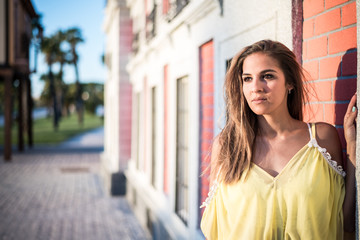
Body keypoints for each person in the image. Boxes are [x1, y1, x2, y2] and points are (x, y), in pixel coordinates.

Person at [200, 39, 356, 239]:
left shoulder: (322, 139)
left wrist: (352, 145)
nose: (255, 87)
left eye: (267, 76)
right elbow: (215, 228)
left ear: (289, 82)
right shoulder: (227, 146)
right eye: (247, 78)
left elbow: (347, 220)